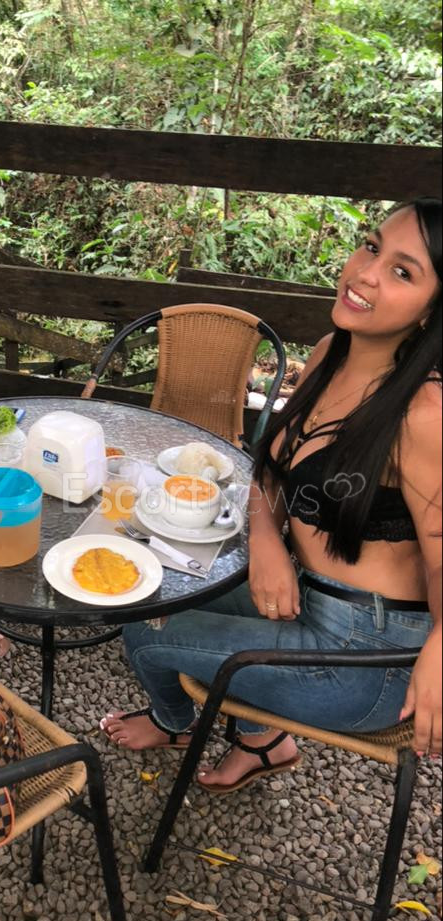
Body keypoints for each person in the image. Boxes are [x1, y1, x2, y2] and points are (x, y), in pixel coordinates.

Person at [101, 197, 442, 793]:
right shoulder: (330, 353)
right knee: (146, 599)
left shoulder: (425, 413)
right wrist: (266, 540)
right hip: (301, 596)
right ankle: (263, 742)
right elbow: (272, 470)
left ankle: (175, 723)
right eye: (371, 247)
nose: (365, 273)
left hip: (368, 654)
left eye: (401, 271)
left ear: (432, 312)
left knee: (146, 635)